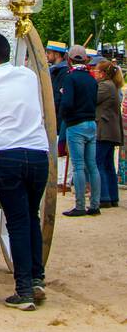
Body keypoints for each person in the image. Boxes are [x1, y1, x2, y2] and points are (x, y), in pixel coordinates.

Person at [0, 32, 49, 310]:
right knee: (31, 215)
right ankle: (36, 277)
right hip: (38, 153)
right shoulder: (27, 76)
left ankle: (24, 289)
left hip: (7, 155)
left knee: (16, 221)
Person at [60, 44, 101, 217]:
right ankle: (94, 205)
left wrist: (63, 111)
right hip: (91, 123)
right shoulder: (91, 79)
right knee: (92, 166)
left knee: (78, 167)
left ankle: (79, 205)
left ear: (69, 60)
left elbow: (68, 103)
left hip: (76, 123)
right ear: (85, 59)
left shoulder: (70, 78)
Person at [95, 57, 124, 208]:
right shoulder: (112, 85)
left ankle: (104, 196)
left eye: (96, 71)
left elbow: (93, 99)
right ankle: (112, 196)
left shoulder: (105, 86)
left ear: (102, 73)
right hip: (111, 131)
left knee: (98, 162)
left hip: (104, 129)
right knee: (108, 164)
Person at [46, 41, 69, 133]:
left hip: (58, 119)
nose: (46, 55)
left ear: (57, 54)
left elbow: (57, 97)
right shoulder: (54, 71)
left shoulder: (63, 72)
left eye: (48, 53)